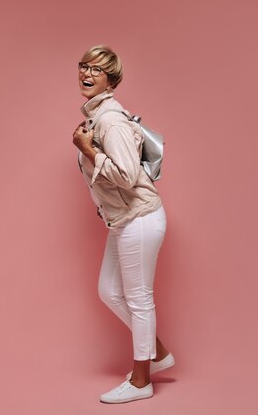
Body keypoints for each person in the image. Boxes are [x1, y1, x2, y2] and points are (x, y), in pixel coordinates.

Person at [72, 45, 175, 404]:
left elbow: (129, 176)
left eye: (97, 70)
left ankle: (141, 380)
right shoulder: (99, 115)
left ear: (111, 79)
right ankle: (157, 354)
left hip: (140, 218)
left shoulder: (110, 120)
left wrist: (88, 149)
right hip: (124, 219)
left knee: (139, 299)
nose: (86, 73)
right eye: (83, 66)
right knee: (109, 291)